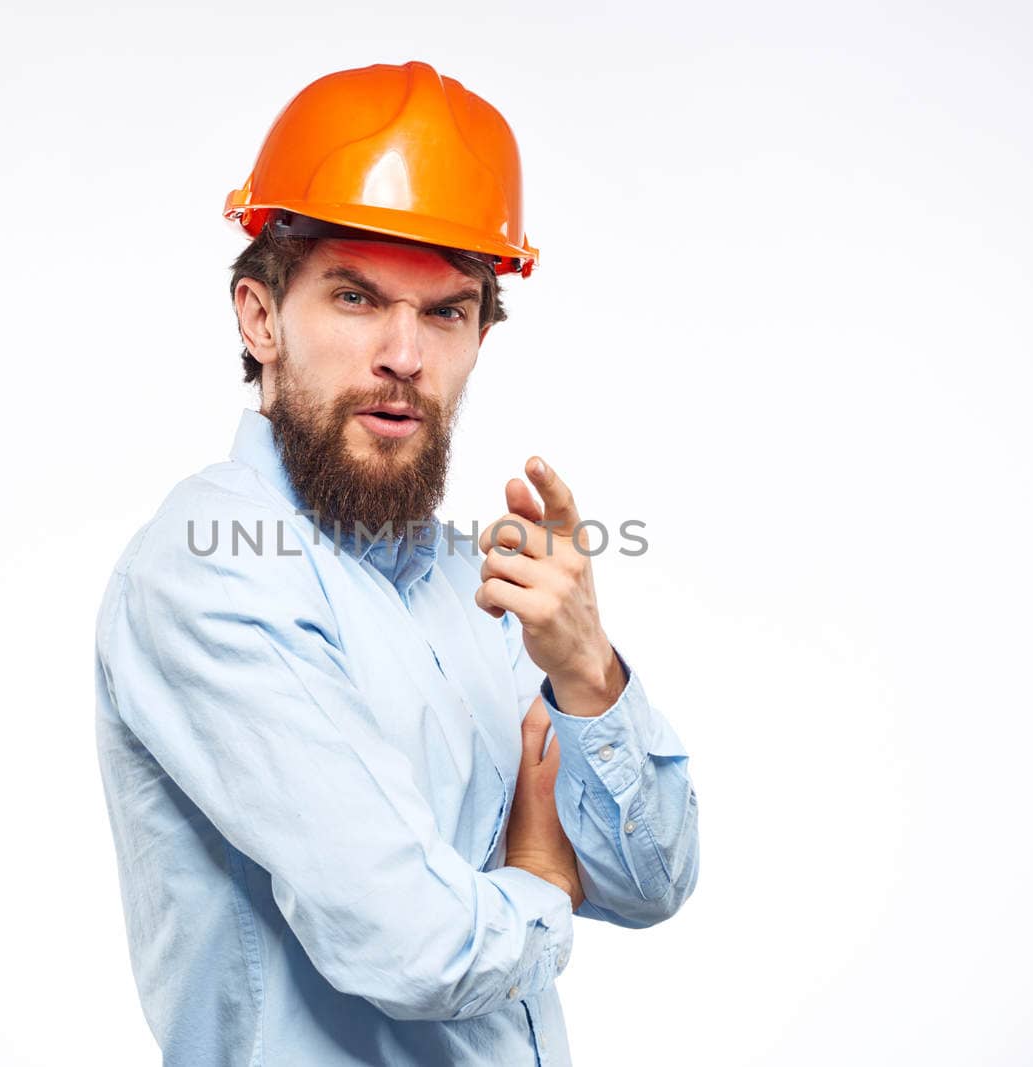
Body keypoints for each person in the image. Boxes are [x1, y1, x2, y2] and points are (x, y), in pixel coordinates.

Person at [94, 59, 700, 1065]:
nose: (404, 355)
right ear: (259, 318)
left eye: (444, 311)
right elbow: (413, 947)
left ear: (476, 335)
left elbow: (649, 880)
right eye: (356, 298)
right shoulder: (210, 571)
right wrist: (543, 879)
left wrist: (589, 676)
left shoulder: (480, 590)